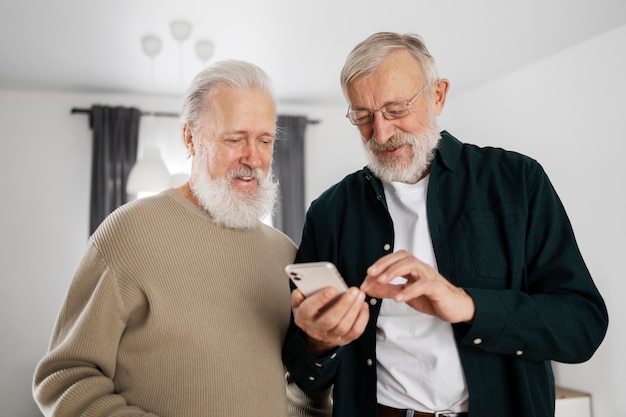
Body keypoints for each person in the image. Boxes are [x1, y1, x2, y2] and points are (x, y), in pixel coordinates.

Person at [282, 32, 608, 417]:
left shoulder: (517, 181)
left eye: (397, 109)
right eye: (364, 117)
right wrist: (318, 342)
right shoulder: (329, 211)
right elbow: (305, 375)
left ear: (437, 95)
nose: (381, 133)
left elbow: (582, 327)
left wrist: (467, 305)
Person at [33, 59, 329, 417]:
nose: (253, 158)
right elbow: (65, 378)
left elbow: (301, 387)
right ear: (190, 137)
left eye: (264, 140)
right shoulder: (128, 233)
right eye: (235, 139)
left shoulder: (285, 252)